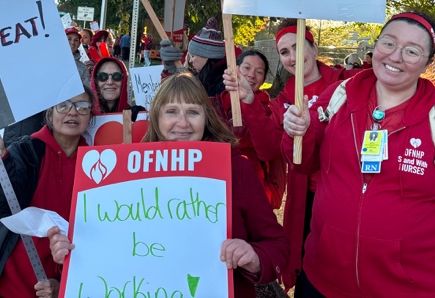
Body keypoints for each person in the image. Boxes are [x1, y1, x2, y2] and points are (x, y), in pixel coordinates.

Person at [282, 11, 435, 297]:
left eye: (412, 51)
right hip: (322, 282)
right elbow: (301, 162)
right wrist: (297, 132)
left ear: (428, 63)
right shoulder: (338, 97)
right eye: (388, 43)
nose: (395, 56)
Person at [48, 72, 289, 298]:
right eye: (172, 111)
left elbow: (278, 246)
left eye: (193, 112)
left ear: (206, 118)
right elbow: (107, 249)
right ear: (157, 117)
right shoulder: (126, 174)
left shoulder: (236, 169)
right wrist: (71, 252)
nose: (182, 123)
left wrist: (254, 258)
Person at [222, 20, 344, 293]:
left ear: (314, 48)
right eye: (284, 52)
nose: (292, 57)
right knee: (309, 267)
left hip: (344, 193)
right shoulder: (282, 102)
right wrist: (251, 103)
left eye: (296, 47)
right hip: (307, 200)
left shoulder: (345, 83)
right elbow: (268, 150)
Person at [0, 90, 94, 298]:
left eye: (83, 107)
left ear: (90, 117)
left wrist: (62, 283)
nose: (73, 112)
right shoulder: (26, 150)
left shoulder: (96, 162)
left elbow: (93, 236)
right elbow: (0, 208)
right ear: (50, 115)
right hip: (3, 284)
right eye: (63, 105)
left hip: (49, 289)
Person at [217, 50, 287, 208]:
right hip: (217, 189)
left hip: (253, 193)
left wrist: (250, 103)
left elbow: (269, 151)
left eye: (259, 72)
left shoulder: (270, 111)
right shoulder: (215, 105)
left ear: (263, 80)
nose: (251, 75)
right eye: (246, 68)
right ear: (235, 69)